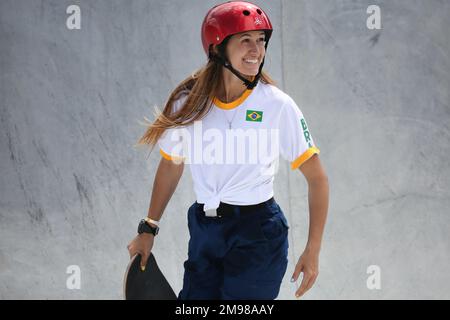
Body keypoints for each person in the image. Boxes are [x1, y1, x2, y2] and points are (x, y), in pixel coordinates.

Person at [128, 1, 329, 300]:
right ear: (218, 48)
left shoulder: (277, 105)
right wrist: (149, 228)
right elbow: (171, 166)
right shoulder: (189, 104)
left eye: (261, 40)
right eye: (245, 40)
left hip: (258, 233)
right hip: (205, 229)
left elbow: (317, 179)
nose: (256, 50)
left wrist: (313, 250)